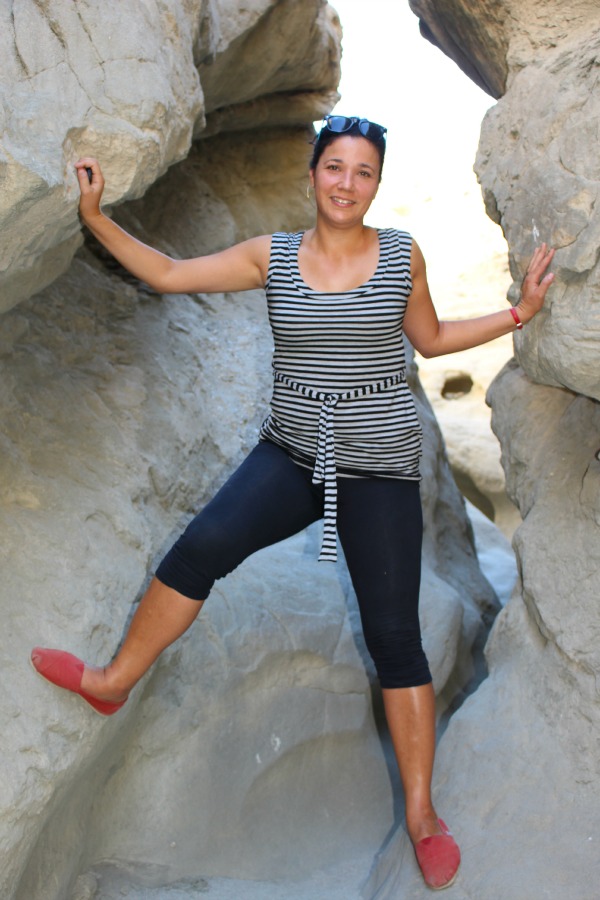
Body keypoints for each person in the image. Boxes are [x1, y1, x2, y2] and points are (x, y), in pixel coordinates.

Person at [31, 115, 555, 891]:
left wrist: (518, 314)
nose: (347, 183)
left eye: (364, 172)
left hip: (377, 468)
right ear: (312, 176)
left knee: (395, 639)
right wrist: (96, 217)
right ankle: (112, 683)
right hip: (293, 454)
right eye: (335, 167)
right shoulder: (270, 256)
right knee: (199, 551)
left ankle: (421, 815)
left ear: (378, 184)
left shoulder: (401, 255)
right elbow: (172, 274)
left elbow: (434, 337)